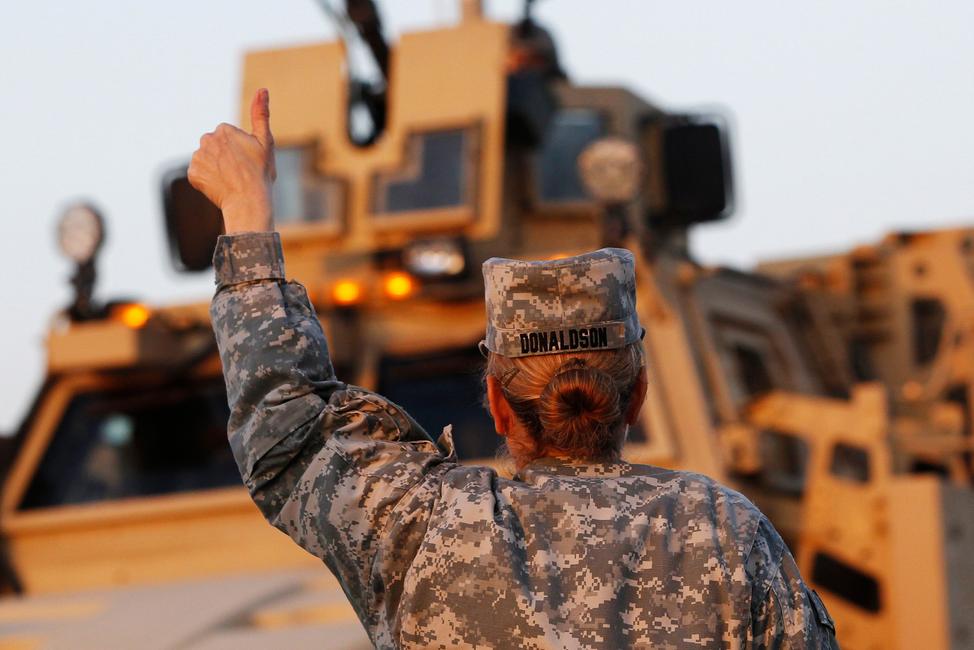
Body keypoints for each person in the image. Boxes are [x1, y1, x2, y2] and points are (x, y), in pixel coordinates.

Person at [189, 89, 839, 649]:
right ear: (637, 394)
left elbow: (288, 430)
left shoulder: (424, 530)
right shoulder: (725, 531)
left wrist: (247, 210)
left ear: (498, 405)